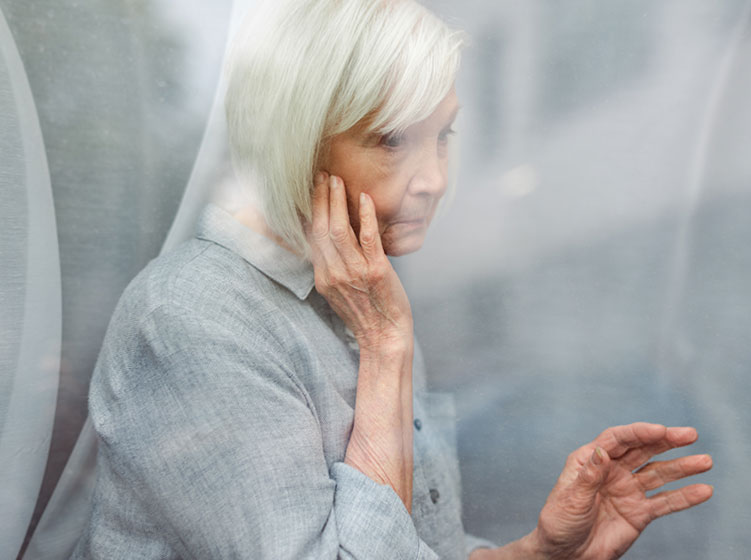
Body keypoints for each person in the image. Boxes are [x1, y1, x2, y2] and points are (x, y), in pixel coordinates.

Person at [71, 0, 713, 558]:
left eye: (444, 135)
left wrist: (540, 553)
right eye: (391, 140)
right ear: (299, 139)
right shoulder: (193, 321)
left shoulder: (356, 298)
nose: (434, 177)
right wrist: (386, 348)